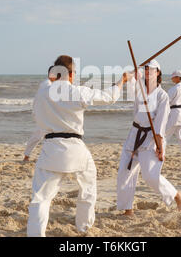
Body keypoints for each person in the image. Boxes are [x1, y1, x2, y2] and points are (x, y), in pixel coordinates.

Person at [26, 55, 132, 237]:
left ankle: (36, 234)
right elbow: (109, 97)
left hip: (51, 148)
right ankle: (83, 227)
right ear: (71, 73)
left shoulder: (42, 92)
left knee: (41, 198)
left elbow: (37, 114)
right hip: (75, 148)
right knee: (88, 187)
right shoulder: (77, 92)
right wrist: (122, 81)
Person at [117, 59, 181, 217]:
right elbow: (130, 79)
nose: (148, 71)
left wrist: (160, 147)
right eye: (146, 69)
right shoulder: (139, 88)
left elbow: (160, 124)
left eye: (151, 69)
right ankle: (128, 210)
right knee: (124, 172)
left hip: (151, 137)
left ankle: (176, 196)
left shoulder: (162, 96)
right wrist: (129, 74)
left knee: (150, 176)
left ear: (158, 72)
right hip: (134, 134)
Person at [23, 66, 57, 161]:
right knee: (40, 135)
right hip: (42, 114)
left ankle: (27, 155)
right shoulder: (47, 85)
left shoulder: (47, 84)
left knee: (40, 135)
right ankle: (27, 155)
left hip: (42, 114)